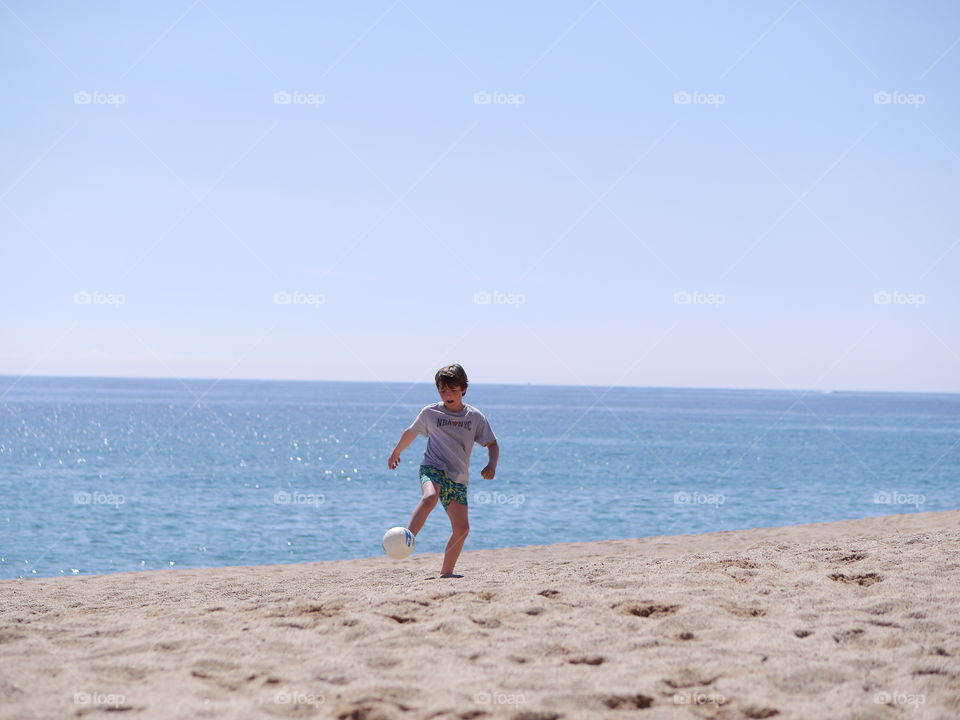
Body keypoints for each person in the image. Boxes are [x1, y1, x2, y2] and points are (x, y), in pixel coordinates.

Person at [387, 364, 499, 577]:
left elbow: (492, 444)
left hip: (458, 477)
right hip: (433, 467)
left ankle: (446, 573)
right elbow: (411, 432)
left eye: (453, 390)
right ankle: (406, 539)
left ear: (464, 389)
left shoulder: (474, 417)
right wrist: (396, 453)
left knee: (462, 529)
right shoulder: (430, 413)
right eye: (443, 390)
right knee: (430, 498)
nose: (448, 395)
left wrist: (491, 464)